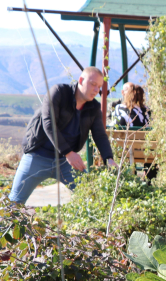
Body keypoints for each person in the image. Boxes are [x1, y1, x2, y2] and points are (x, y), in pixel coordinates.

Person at [9, 67, 117, 204]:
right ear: (81, 80)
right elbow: (48, 123)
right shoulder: (59, 92)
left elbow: (100, 135)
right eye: (93, 84)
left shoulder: (94, 108)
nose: (96, 90)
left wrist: (109, 158)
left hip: (65, 163)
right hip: (37, 156)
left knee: (90, 198)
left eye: (99, 87)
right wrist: (68, 153)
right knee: (14, 203)